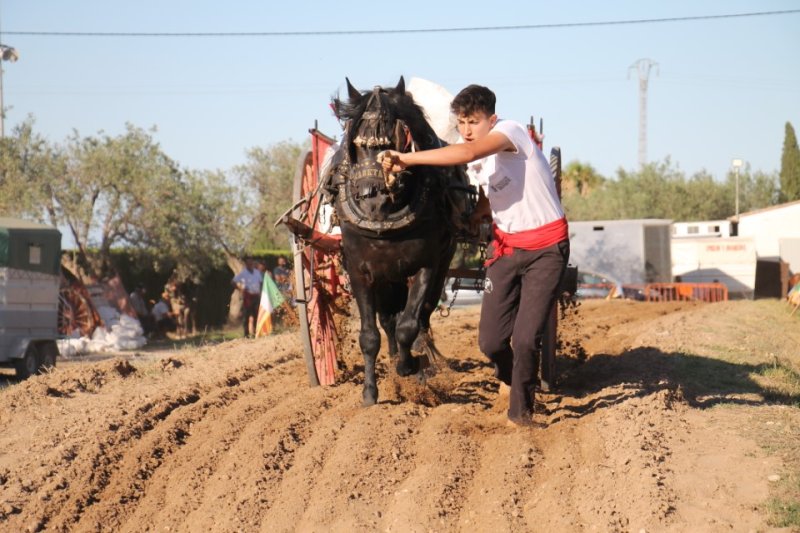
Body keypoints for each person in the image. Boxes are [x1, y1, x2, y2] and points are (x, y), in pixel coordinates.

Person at [381, 84, 570, 426]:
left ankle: (521, 413)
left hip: (545, 250)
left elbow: (467, 154)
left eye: (474, 122)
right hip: (506, 249)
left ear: (491, 120)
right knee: (491, 342)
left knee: (525, 339)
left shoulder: (511, 132)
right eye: (462, 123)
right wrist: (480, 210)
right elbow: (490, 187)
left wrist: (406, 158)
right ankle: (515, 380)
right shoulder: (480, 160)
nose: (467, 130)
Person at [231, 256, 263, 338]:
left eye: (251, 262)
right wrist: (240, 289)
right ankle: (246, 334)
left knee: (256, 315)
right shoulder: (243, 273)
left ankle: (256, 333)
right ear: (246, 264)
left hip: (256, 296)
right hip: (248, 296)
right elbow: (233, 282)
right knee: (247, 316)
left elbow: (260, 283)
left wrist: (260, 292)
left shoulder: (257, 272)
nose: (250, 264)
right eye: (248, 263)